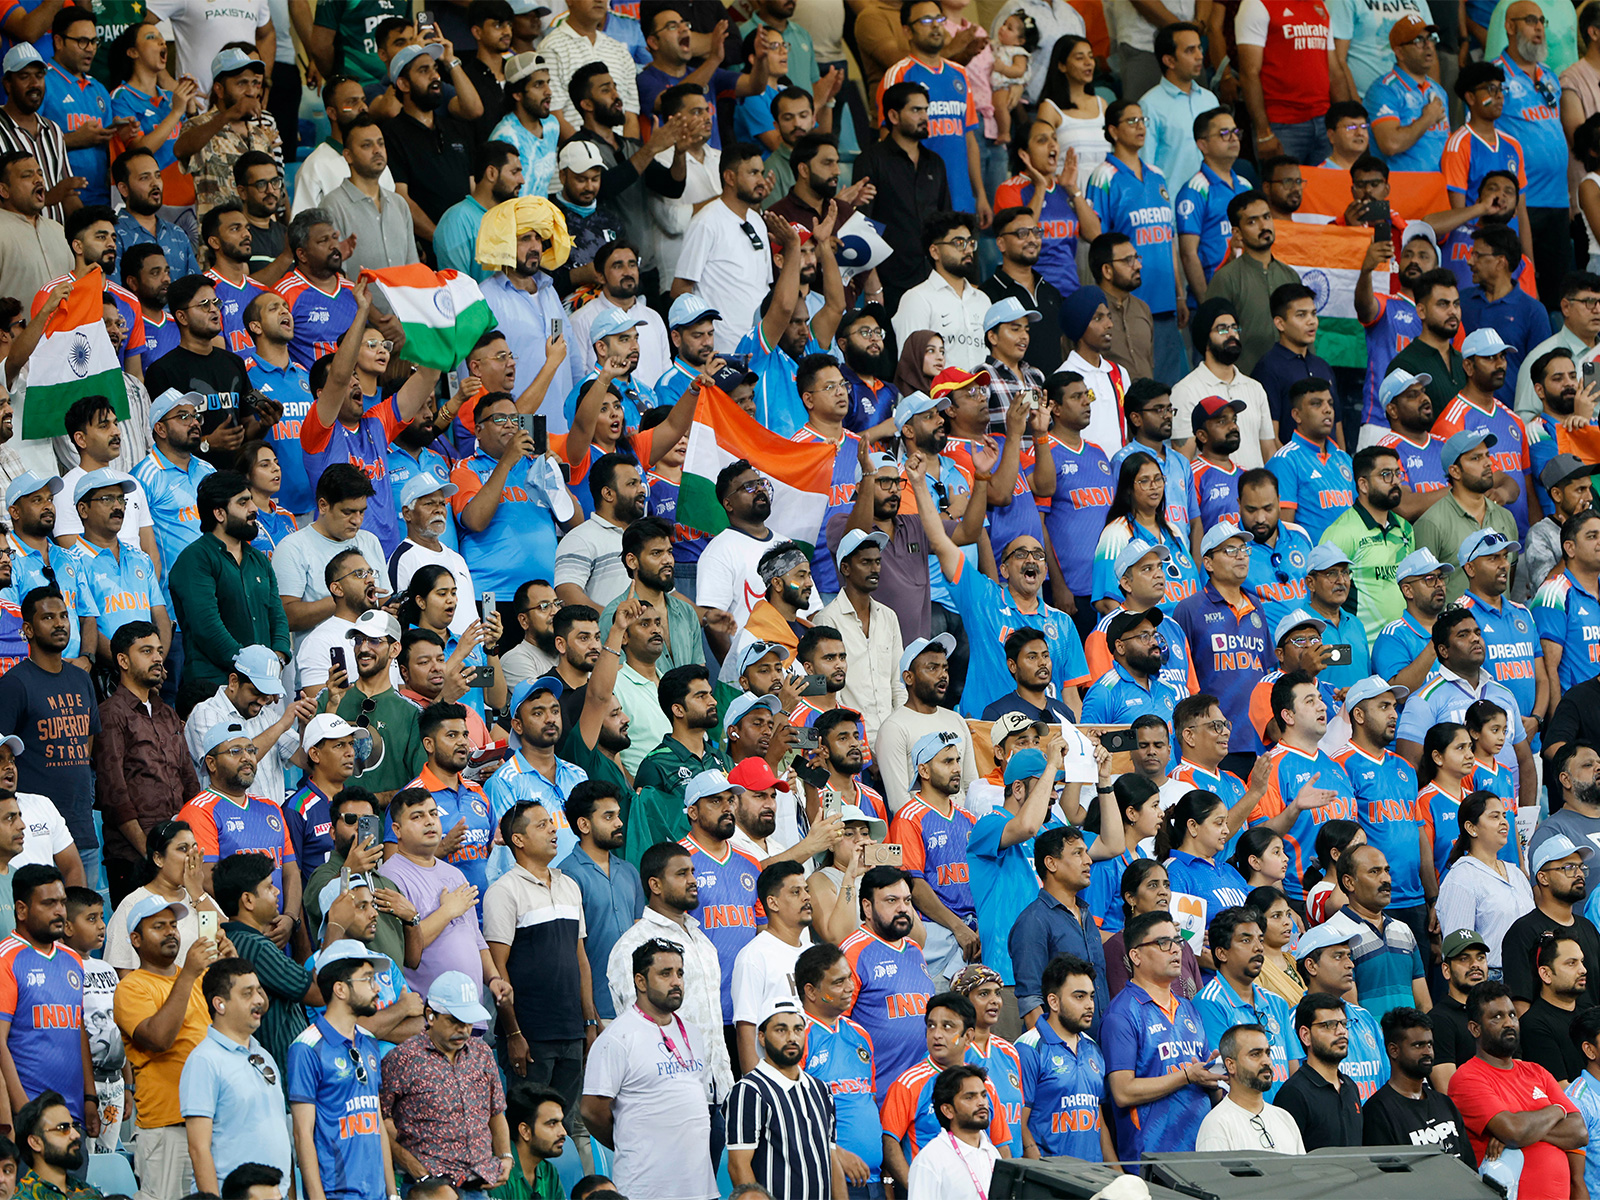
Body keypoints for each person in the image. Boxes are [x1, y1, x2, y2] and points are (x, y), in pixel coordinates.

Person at [485, 798, 597, 1142]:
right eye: (541, 825)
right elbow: (497, 971)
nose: (553, 829)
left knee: (566, 1127)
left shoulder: (569, 885)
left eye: (552, 822)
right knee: (528, 1131)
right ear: (518, 840)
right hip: (530, 1037)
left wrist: (589, 1023)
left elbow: (581, 959)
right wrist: (514, 1034)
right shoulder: (503, 891)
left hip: (571, 1031)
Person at [581, 939, 718, 1200]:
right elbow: (591, 1110)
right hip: (647, 1189)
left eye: (679, 973)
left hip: (699, 1188)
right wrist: (628, 1141)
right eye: (665, 973)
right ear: (640, 982)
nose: (676, 981)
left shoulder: (693, 1033)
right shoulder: (617, 1037)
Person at [114, 891, 229, 1200]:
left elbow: (236, 1031)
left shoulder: (197, 978)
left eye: (173, 925)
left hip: (209, 1122)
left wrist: (230, 968)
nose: (170, 932)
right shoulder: (131, 987)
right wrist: (190, 973)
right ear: (136, 940)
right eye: (158, 926)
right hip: (166, 1126)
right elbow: (159, 1039)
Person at [605, 842, 734, 1117]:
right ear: (655, 885)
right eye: (681, 874)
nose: (692, 881)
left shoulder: (701, 940)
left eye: (692, 872)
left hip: (719, 1094)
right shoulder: (633, 945)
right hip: (667, 1100)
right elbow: (637, 1029)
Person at [379, 971, 513, 1199]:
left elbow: (496, 1111)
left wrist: (506, 1156)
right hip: (428, 1189)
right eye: (454, 1020)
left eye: (468, 1021)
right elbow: (381, 1122)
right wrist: (412, 1166)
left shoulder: (482, 1054)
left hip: (478, 1185)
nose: (463, 1029)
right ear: (430, 1015)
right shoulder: (402, 1059)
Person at [1450, 979, 1589, 1194]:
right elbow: (1513, 1131)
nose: (1509, 1023)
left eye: (1512, 1015)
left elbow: (1579, 1132)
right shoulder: (1467, 1078)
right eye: (1497, 1017)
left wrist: (1525, 1131)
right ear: (1475, 1028)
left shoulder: (1537, 1071)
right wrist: (1557, 1111)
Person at [94, 621, 200, 902]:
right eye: (146, 651)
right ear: (123, 660)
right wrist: (150, 852)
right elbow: (113, 793)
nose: (157, 658)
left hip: (178, 852)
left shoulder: (166, 712)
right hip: (133, 858)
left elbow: (189, 781)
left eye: (159, 650)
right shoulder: (111, 713)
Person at [0, 590, 99, 887]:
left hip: (81, 824)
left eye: (64, 616)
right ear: (27, 629)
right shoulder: (14, 684)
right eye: (48, 617)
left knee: (83, 923)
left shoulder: (81, 678)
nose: (60, 624)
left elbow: (88, 739)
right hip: (34, 831)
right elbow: (3, 749)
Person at [1102, 909, 1218, 1156]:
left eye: (1177, 941)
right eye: (1164, 943)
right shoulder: (1121, 1014)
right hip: (1151, 1159)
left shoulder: (1189, 1008)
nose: (1176, 949)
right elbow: (1122, 1092)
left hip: (1201, 1151)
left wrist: (1216, 1073)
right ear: (1135, 955)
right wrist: (1187, 1076)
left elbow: (1204, 1077)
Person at [288, 940, 397, 1200]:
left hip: (378, 1194)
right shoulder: (305, 1048)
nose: (377, 989)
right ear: (340, 989)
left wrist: (392, 1194)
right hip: (336, 1193)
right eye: (368, 980)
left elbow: (377, 1122)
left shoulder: (369, 1041)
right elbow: (303, 1134)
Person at [179, 958, 294, 1194]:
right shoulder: (204, 1060)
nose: (260, 1001)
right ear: (220, 1004)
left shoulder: (264, 1055)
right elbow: (198, 1148)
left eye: (259, 991)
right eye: (247, 993)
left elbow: (279, 1136)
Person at [0, 865, 97, 1136]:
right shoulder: (6, 959)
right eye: (49, 903)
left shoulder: (72, 959)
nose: (60, 912)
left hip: (73, 1116)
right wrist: (23, 1110)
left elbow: (78, 1030)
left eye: (63, 903)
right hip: (30, 1120)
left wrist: (90, 1098)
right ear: (21, 910)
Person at [1195, 908, 1301, 1105]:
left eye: (1260, 940)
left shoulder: (1276, 1002)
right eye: (1246, 940)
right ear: (1221, 953)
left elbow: (1293, 1072)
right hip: (1243, 1122)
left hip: (1283, 1119)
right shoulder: (1210, 1002)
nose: (1258, 948)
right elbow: (1222, 1078)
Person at [1193, 1023, 1306, 1153]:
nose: (1266, 1061)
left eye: (1267, 1053)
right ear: (1230, 1065)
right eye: (1255, 1054)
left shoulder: (1285, 1118)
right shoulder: (1217, 1124)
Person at [1274, 990, 1365, 1151]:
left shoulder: (1350, 1086)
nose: (1341, 1031)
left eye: (1344, 1023)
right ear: (1305, 1035)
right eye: (1329, 1025)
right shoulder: (1293, 1094)